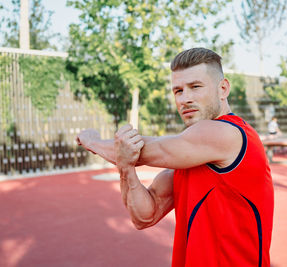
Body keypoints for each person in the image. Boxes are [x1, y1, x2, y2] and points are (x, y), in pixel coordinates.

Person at [76, 48, 274, 267]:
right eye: (178, 91)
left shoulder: (228, 133)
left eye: (195, 87)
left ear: (223, 89)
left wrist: (91, 141)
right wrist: (126, 168)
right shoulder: (189, 157)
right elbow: (144, 216)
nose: (185, 98)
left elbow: (141, 149)